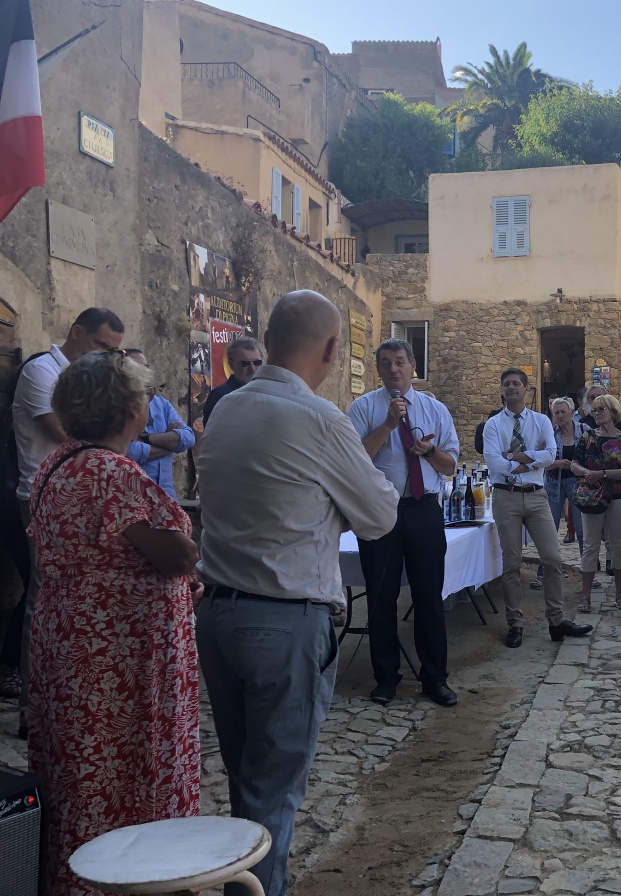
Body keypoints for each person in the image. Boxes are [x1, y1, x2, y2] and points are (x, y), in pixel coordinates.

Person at [197, 291, 400, 896]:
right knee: (273, 795)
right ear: (334, 350)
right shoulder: (321, 419)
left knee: (246, 782)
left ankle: (244, 883)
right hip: (285, 621)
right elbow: (380, 515)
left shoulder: (227, 409)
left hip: (219, 614)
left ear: (267, 342)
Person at [27, 351, 201, 896]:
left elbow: (105, 553)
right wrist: (186, 560)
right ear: (130, 410)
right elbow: (176, 553)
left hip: (70, 643)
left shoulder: (57, 464)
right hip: (121, 657)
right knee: (129, 768)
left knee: (80, 769)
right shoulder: (113, 473)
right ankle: (136, 879)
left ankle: (75, 879)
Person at [9, 307, 125, 731]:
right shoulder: (42, 371)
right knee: (43, 602)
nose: (105, 356)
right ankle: (32, 709)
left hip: (84, 496)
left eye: (113, 351)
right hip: (44, 498)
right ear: (76, 332)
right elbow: (72, 435)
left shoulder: (86, 378)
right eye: (100, 345)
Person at [347, 338, 461, 707]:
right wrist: (387, 425)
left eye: (400, 361)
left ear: (413, 365)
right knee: (381, 597)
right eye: (386, 363)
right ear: (378, 369)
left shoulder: (435, 409)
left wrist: (430, 452)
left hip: (423, 510)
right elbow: (355, 461)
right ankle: (385, 678)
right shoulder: (363, 408)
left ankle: (435, 678)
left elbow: (450, 466)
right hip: (380, 512)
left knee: (429, 596)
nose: (393, 369)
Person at [483, 367, 594, 649]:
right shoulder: (493, 425)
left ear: (525, 388)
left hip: (536, 496)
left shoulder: (541, 420)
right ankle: (515, 623)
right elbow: (494, 463)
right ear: (501, 389)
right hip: (506, 496)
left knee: (553, 558)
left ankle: (556, 621)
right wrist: (531, 460)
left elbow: (551, 455)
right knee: (511, 564)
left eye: (516, 383)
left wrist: (514, 456)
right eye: (506, 384)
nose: (511, 387)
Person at [571, 394, 621, 612]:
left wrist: (602, 474)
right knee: (590, 545)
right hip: (592, 496)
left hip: (618, 496)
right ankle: (585, 596)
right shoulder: (587, 437)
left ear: (613, 412)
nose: (596, 413)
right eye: (594, 410)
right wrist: (586, 472)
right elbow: (574, 463)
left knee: (619, 544)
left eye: (601, 409)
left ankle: (620, 593)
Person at [122, 349, 195, 500]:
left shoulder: (161, 404)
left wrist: (146, 438)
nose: (144, 373)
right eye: (137, 368)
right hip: (136, 496)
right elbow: (131, 450)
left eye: (146, 368)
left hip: (167, 495)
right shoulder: (118, 405)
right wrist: (169, 444)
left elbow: (188, 437)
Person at [546, 397, 584, 567]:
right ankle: (545, 570)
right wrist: (557, 463)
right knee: (549, 528)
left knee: (582, 528)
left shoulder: (584, 430)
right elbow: (539, 461)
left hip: (579, 484)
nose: (560, 416)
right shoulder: (548, 433)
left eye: (563, 412)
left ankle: (588, 567)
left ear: (572, 412)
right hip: (554, 484)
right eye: (557, 413)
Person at [202, 336, 263, 425]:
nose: (252, 368)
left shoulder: (265, 391)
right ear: (231, 365)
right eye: (245, 363)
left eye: (257, 363)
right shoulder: (220, 396)